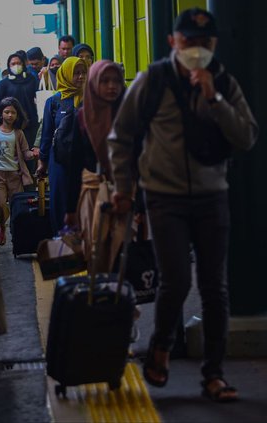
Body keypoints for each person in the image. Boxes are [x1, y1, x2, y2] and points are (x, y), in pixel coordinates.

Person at [107, 8, 258, 401]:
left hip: (213, 196)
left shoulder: (223, 80)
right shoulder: (153, 80)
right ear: (174, 41)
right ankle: (161, 345)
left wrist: (215, 98)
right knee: (175, 280)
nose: (197, 49)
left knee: (215, 287)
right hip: (164, 197)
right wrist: (124, 186)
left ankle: (214, 374)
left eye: (205, 43)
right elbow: (120, 136)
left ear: (215, 45)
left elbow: (246, 137)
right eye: (189, 41)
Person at [64, 60, 126, 271]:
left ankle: (122, 301)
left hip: (127, 193)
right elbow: (75, 164)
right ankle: (102, 300)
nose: (112, 86)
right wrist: (70, 209)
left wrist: (143, 208)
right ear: (93, 83)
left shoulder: (130, 115)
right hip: (92, 195)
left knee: (124, 253)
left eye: (117, 81)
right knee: (96, 252)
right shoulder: (82, 117)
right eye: (105, 81)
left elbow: (141, 161)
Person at [36, 56, 87, 233]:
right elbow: (47, 134)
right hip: (59, 160)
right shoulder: (54, 102)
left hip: (85, 160)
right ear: (65, 74)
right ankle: (62, 242)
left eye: (83, 73)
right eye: (76, 73)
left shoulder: (90, 99)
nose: (81, 77)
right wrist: (42, 162)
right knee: (60, 200)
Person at [0, 97, 39, 245]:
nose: (10, 115)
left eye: (13, 112)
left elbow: (25, 153)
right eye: (6, 112)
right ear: (1, 114)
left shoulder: (19, 134)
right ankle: (1, 225)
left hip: (15, 176)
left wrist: (34, 154)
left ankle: (16, 235)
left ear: (17, 115)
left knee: (16, 208)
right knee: (0, 205)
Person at [0, 52, 39, 176]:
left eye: (18, 63)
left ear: (24, 64)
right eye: (13, 64)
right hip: (11, 126)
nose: (16, 65)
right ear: (8, 65)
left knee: (29, 154)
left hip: (30, 125)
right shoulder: (4, 83)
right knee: (12, 155)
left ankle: (30, 184)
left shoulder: (32, 80)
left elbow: (38, 98)